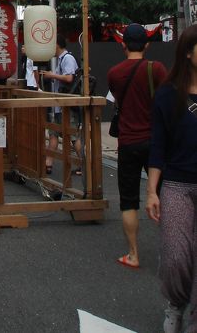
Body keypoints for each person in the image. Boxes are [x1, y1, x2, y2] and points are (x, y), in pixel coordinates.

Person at [146, 25, 197, 333]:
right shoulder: (168, 94)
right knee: (176, 255)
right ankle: (175, 304)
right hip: (177, 184)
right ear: (188, 54)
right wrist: (152, 190)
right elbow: (158, 145)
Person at [108, 22, 166, 270]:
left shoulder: (114, 74)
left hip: (128, 141)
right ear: (147, 44)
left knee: (129, 200)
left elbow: (118, 99)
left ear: (123, 45)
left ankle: (133, 254)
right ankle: (171, 252)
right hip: (155, 142)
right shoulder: (157, 69)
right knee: (166, 197)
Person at [40, 35, 82, 177]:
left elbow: (69, 78)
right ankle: (48, 163)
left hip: (67, 104)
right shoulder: (61, 59)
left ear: (57, 45)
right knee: (53, 133)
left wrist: (52, 75)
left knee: (72, 136)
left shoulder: (67, 58)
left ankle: (85, 163)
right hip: (60, 104)